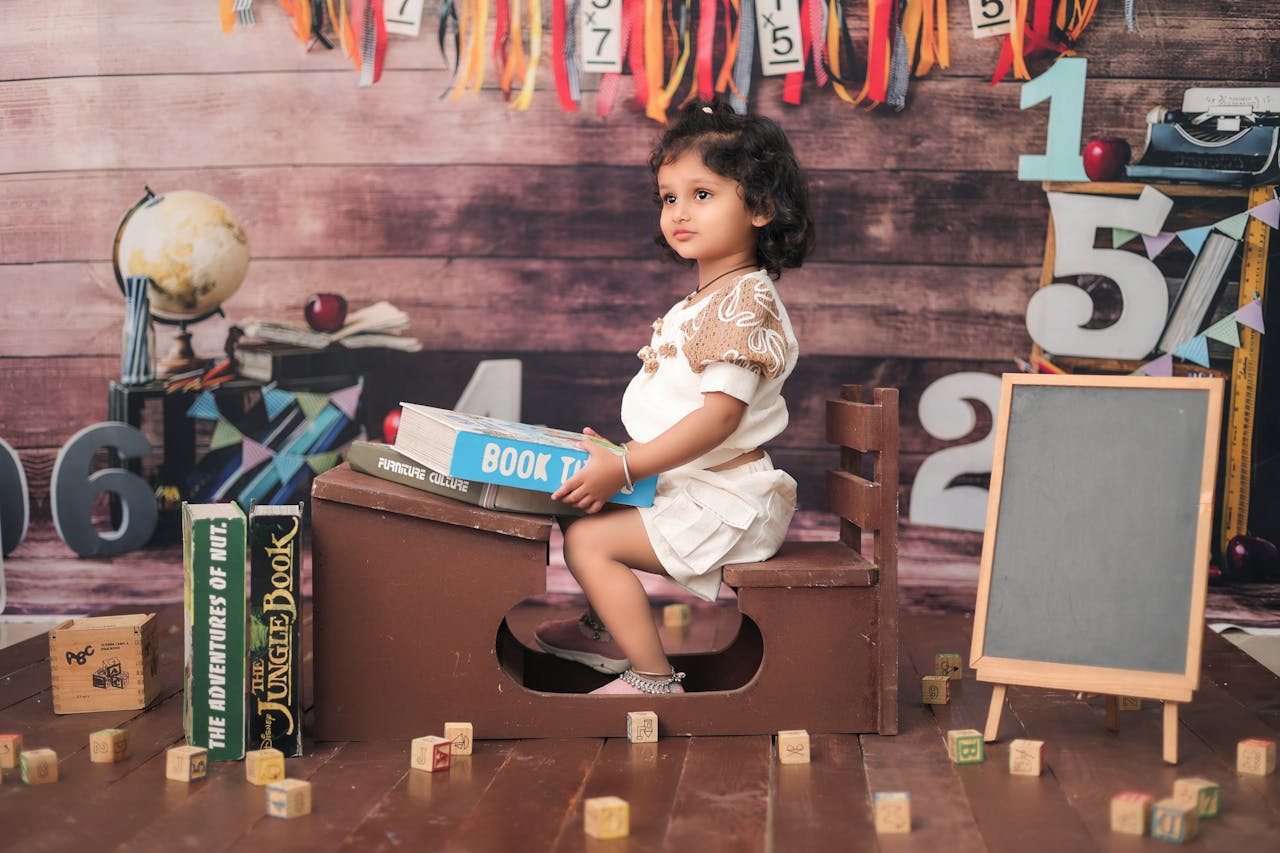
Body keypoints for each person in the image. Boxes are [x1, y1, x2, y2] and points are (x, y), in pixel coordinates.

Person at [537, 99, 815, 695]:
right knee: (575, 501)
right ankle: (607, 627)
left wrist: (630, 465)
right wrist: (621, 452)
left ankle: (653, 678)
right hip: (690, 484)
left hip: (727, 502)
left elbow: (718, 419)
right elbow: (683, 406)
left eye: (703, 195)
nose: (679, 213)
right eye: (669, 197)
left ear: (762, 208)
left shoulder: (745, 303)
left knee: (589, 540)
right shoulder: (709, 298)